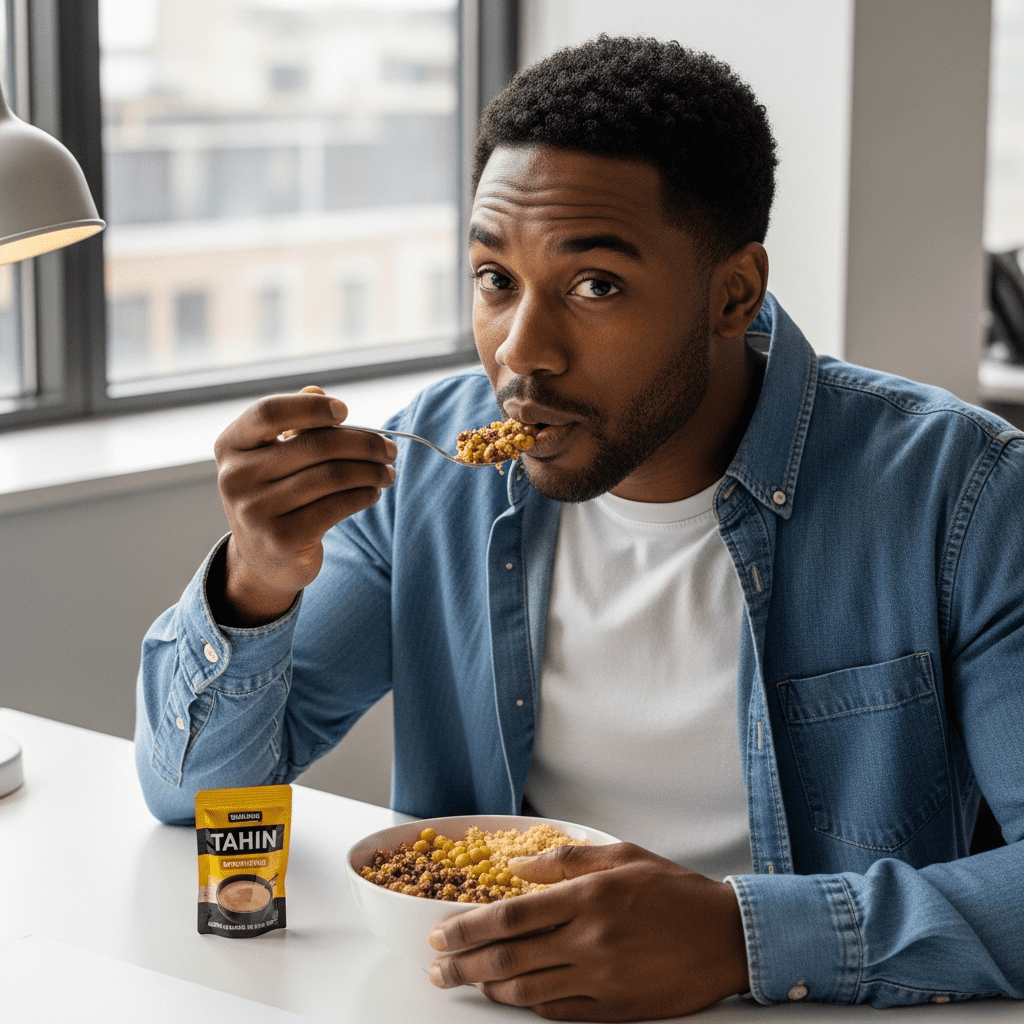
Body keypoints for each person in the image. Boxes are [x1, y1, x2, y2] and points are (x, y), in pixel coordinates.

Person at [135, 34, 1023, 1021]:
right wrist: (256, 576)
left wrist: (741, 936)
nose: (521, 352)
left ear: (733, 292)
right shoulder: (428, 472)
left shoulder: (960, 495)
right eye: (493, 278)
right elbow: (197, 795)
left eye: (594, 285)